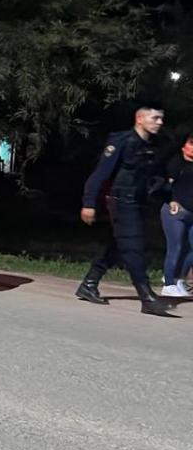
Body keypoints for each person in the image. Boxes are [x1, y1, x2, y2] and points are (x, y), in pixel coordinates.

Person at [75, 105, 174, 316]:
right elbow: (100, 174)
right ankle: (146, 297)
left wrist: (169, 194)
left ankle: (89, 284)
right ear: (139, 118)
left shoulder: (152, 145)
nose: (159, 122)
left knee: (118, 245)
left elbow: (152, 176)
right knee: (134, 247)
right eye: (155, 118)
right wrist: (89, 203)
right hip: (121, 202)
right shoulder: (122, 141)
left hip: (138, 202)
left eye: (161, 119)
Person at [160, 133, 193, 297]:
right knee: (176, 247)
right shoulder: (176, 163)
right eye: (191, 143)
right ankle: (168, 283)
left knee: (190, 249)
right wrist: (171, 200)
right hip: (176, 212)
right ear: (183, 146)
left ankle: (178, 278)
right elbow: (166, 185)